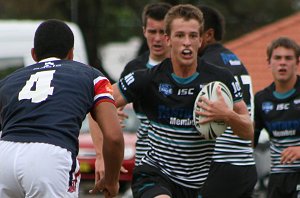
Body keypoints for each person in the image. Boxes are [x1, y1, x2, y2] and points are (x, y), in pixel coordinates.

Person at [112, 4, 253, 197]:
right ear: (168, 39)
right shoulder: (147, 78)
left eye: (193, 36)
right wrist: (106, 151)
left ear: (201, 39)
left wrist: (226, 115)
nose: (187, 42)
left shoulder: (221, 79)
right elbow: (101, 99)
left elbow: (248, 131)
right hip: (154, 174)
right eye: (180, 35)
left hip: (195, 183)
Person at [0, 19, 124, 198]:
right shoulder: (92, 76)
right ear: (71, 54)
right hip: (49, 155)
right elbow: (113, 137)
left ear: (34, 54)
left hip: (5, 155)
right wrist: (112, 180)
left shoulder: (7, 82)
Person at [88, 2, 172, 184]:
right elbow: (96, 104)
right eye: (152, 31)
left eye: (162, 32)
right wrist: (102, 156)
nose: (157, 38)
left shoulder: (186, 67)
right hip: (147, 165)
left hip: (184, 167)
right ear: (144, 31)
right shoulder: (135, 69)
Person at [197, 5, 257, 198]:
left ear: (208, 35)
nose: (187, 42)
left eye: (193, 35)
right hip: (245, 164)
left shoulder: (208, 65)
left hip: (219, 164)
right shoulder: (235, 60)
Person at [254, 37, 300, 198]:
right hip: (277, 178)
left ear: (297, 63)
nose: (282, 63)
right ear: (269, 62)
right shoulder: (261, 99)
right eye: (277, 58)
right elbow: (250, 142)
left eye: (288, 58)